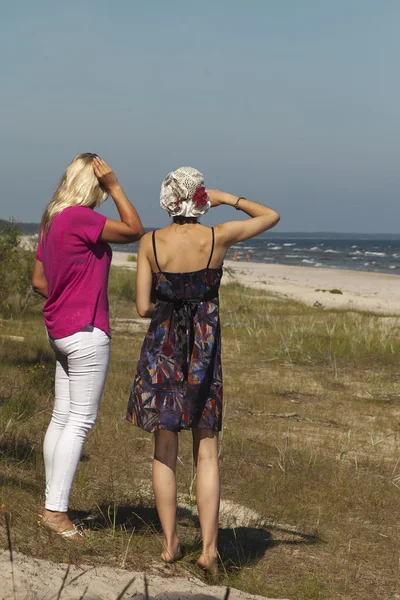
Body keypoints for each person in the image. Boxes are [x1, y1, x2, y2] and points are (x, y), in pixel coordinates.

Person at [126, 166, 280, 573]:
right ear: (201, 200)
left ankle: (171, 542)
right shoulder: (218, 236)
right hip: (203, 351)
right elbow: (270, 216)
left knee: (164, 449)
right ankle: (209, 549)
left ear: (166, 199)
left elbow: (143, 307)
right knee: (206, 450)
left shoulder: (149, 243)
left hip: (163, 349)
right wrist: (229, 198)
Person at [32, 154, 144, 539]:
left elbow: (38, 281)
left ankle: (53, 502)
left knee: (62, 418)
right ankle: (55, 512)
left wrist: (66, 292)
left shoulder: (52, 220)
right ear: (92, 184)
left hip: (60, 329)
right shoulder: (80, 218)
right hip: (85, 330)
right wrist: (115, 186)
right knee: (79, 421)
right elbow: (134, 229)